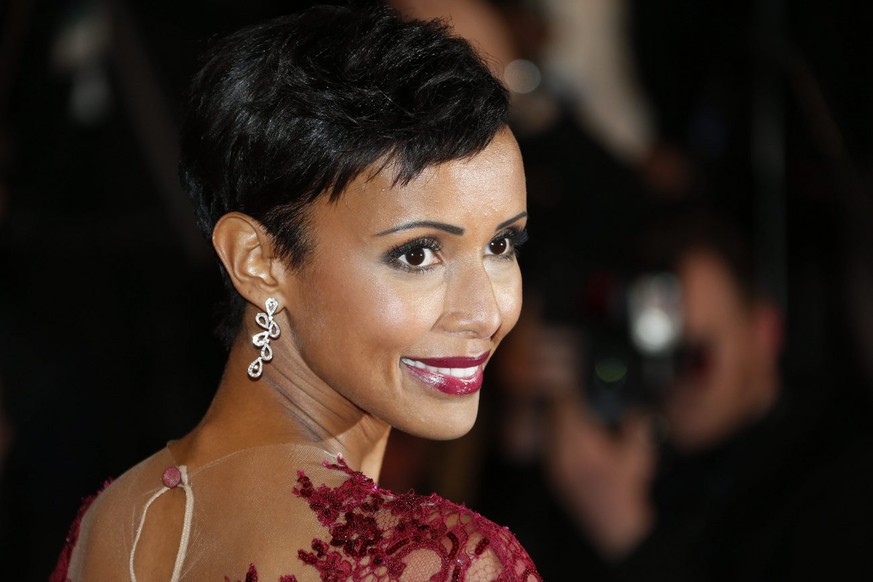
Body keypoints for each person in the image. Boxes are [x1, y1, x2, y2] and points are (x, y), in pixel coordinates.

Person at [51, 4, 541, 580]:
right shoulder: (447, 563)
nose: (487, 311)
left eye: (501, 245)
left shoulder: (109, 524)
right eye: (417, 254)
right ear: (258, 261)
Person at [508, 207, 873, 580]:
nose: (668, 379)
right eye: (653, 351)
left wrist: (628, 535)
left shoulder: (840, 482)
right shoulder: (641, 445)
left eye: (694, 358)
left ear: (765, 333)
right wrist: (524, 433)